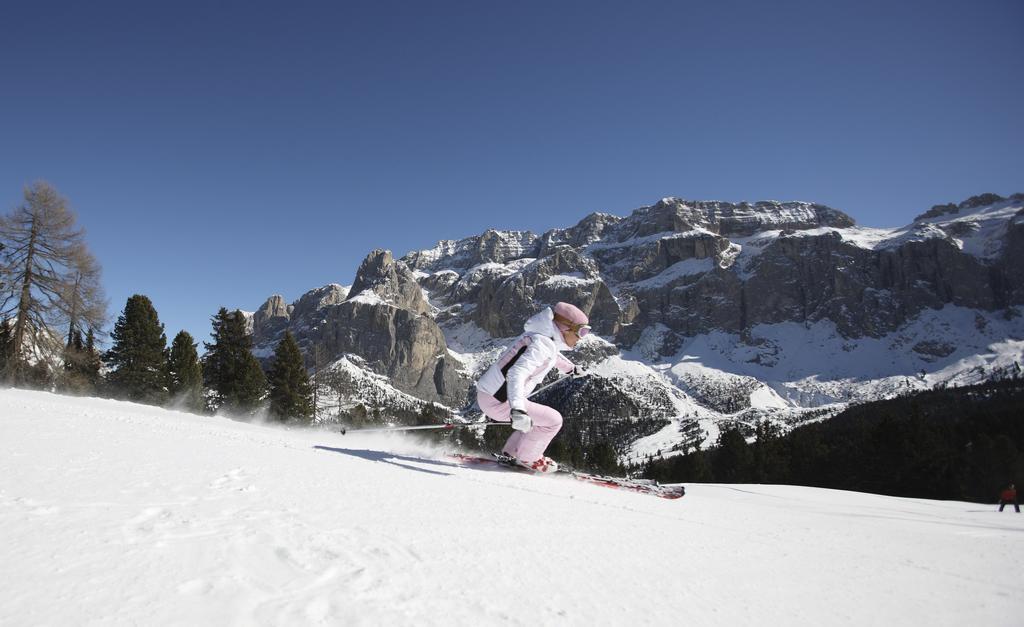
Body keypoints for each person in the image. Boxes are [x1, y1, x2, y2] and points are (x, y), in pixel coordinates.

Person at [475, 302, 591, 473]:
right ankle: (529, 458)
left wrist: (571, 368)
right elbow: (516, 373)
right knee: (553, 421)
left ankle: (512, 452)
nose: (581, 338)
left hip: (490, 395)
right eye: (581, 332)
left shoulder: (541, 338)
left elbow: (553, 356)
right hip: (499, 402)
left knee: (536, 419)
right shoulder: (542, 346)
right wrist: (518, 410)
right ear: (565, 327)